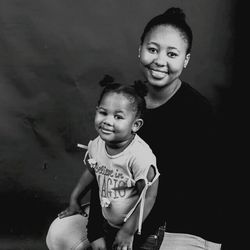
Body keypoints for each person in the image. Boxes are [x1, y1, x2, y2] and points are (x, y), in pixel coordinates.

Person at [46, 7, 223, 250]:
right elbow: (103, 169)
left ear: (186, 60)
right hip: (125, 209)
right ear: (140, 50)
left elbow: (168, 192)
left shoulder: (197, 111)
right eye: (152, 49)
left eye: (172, 54)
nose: (160, 61)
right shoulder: (125, 104)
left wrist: (130, 234)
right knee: (60, 233)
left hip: (179, 222)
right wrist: (96, 232)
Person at [48, 76, 161, 250]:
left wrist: (128, 231)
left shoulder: (139, 156)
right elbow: (91, 171)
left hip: (141, 229)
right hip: (111, 223)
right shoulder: (97, 145)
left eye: (118, 116)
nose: (108, 121)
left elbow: (149, 196)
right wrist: (74, 198)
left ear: (135, 125)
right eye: (103, 112)